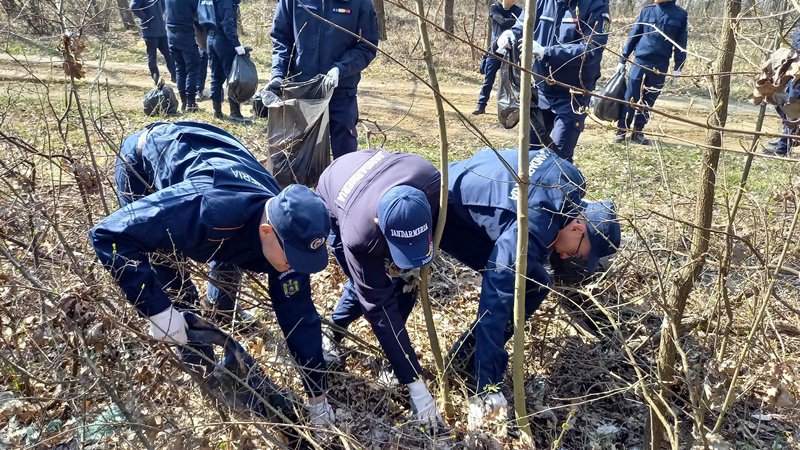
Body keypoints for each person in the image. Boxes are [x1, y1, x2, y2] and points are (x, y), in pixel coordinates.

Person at [89, 121, 336, 426]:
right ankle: (206, 371)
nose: (297, 266)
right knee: (169, 270)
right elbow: (109, 236)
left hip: (220, 158)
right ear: (266, 231)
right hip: (148, 160)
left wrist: (317, 397)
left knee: (233, 250)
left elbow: (300, 318)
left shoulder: (290, 229)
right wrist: (158, 310)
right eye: (293, 258)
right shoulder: (204, 210)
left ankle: (219, 316)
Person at [439, 147, 620, 427]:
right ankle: (477, 372)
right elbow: (497, 294)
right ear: (577, 228)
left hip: (469, 181)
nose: (564, 257)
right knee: (508, 287)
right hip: (444, 206)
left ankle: (464, 356)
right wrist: (487, 386)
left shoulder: (571, 180)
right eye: (577, 254)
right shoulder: (536, 224)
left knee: (536, 284)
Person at [315, 149, 442, 424]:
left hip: (381, 175)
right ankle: (334, 333)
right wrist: (416, 385)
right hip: (338, 198)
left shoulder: (432, 182)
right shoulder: (358, 235)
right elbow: (378, 306)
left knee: (407, 280)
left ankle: (395, 362)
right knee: (364, 286)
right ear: (378, 225)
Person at [496, 0, 611, 162]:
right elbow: (522, 25)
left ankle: (559, 186)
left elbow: (592, 50)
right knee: (529, 153)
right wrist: (512, 33)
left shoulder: (595, 5)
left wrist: (547, 52)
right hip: (541, 88)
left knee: (558, 158)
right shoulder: (539, 1)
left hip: (572, 94)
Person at [268, 0, 379, 158]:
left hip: (341, 91)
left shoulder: (359, 3)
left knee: (345, 152)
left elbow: (368, 45)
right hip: (301, 90)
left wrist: (340, 69)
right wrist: (278, 74)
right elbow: (281, 38)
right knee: (298, 155)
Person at [614, 0, 688, 145]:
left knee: (649, 99)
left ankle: (638, 131)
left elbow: (681, 44)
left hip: (660, 64)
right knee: (630, 96)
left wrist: (678, 68)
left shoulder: (680, 15)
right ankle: (622, 130)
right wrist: (622, 59)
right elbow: (634, 35)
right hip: (640, 61)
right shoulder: (646, 11)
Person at [472, 0, 523, 116]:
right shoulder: (495, 7)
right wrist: (518, 22)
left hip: (511, 52)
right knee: (488, 79)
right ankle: (481, 105)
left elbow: (523, 27)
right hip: (495, 51)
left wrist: (520, 22)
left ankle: (510, 109)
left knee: (510, 81)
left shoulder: (518, 11)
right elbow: (502, 22)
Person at [207, 0, 249, 122]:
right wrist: (236, 44)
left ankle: (217, 111)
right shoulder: (226, 1)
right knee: (233, 77)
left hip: (211, 38)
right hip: (223, 40)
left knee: (216, 76)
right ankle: (235, 113)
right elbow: (227, 22)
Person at [165, 0, 201, 112]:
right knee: (192, 67)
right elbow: (199, 13)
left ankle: (184, 102)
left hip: (170, 34)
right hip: (185, 34)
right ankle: (191, 103)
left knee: (180, 68)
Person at [130, 0, 176, 85]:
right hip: (149, 31)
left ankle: (175, 76)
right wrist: (145, 17)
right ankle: (156, 78)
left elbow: (163, 4)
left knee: (169, 53)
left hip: (161, 30)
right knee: (152, 56)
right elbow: (133, 6)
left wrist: (159, 14)